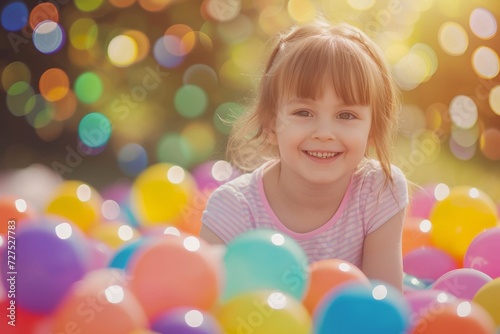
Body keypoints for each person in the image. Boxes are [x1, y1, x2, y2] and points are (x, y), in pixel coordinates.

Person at [200, 19, 409, 291]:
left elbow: (384, 304)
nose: (324, 133)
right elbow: (209, 306)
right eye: (303, 113)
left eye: (346, 115)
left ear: (373, 130)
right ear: (271, 123)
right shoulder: (234, 210)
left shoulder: (379, 191)